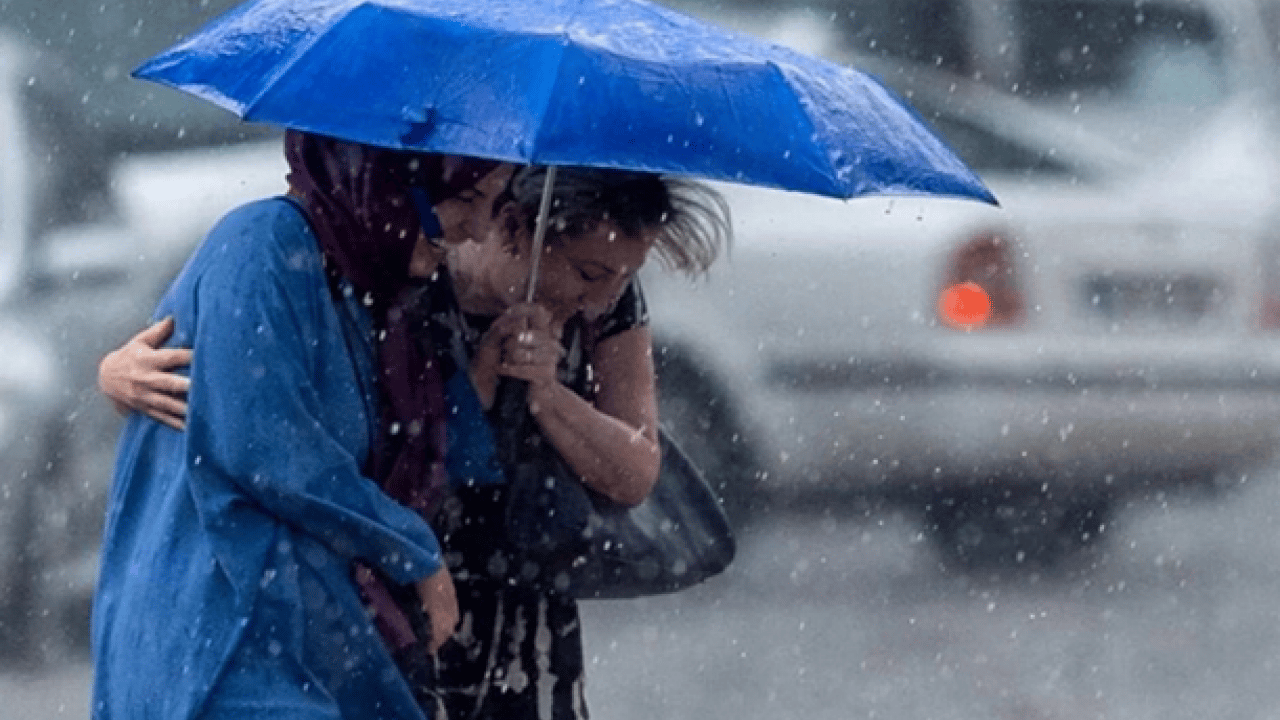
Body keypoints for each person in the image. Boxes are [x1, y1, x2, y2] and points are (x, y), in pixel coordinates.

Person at [101, 162, 731, 719]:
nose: (602, 300)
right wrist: (117, 371)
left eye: (624, 277)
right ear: (517, 227)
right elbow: (282, 425)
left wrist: (547, 395)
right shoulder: (396, 264)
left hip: (511, 583)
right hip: (392, 584)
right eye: (590, 272)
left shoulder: (600, 302)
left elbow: (636, 469)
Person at [90, 128, 509, 720]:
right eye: (468, 200)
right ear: (389, 183)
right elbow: (270, 450)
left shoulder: (373, 289)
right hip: (218, 637)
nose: (480, 229)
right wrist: (414, 552)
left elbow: (436, 452)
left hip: (302, 641)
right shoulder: (262, 245)